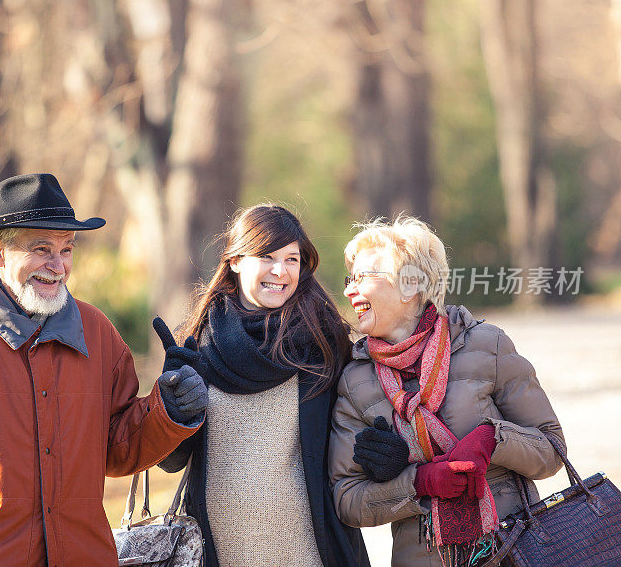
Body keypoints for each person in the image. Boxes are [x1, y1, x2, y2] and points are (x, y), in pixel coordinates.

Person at [0, 173, 207, 566]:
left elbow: (117, 448)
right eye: (41, 248)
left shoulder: (99, 335)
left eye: (67, 249)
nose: (57, 266)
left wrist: (169, 409)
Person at [328, 216, 565, 567]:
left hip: (515, 550)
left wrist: (492, 439)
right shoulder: (354, 380)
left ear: (410, 286)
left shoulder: (488, 345)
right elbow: (348, 500)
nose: (349, 290)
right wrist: (418, 482)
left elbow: (552, 451)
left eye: (364, 277)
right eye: (351, 279)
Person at [156, 204, 370, 567]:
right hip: (220, 553)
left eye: (291, 259)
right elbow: (171, 461)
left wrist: (380, 451)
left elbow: (355, 433)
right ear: (236, 261)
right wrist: (171, 408)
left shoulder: (324, 342)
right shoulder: (197, 345)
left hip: (313, 553)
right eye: (266, 256)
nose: (280, 271)